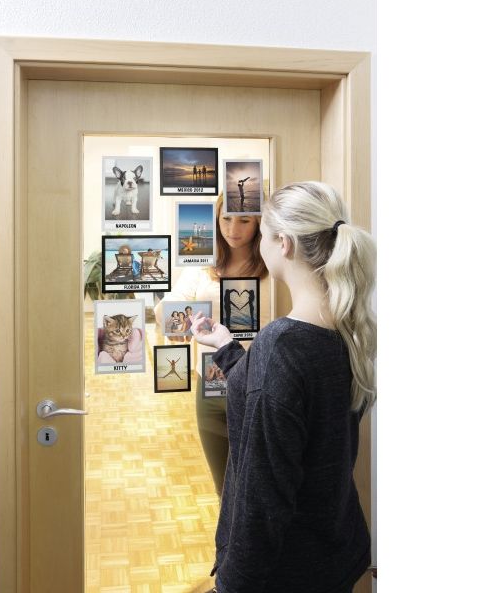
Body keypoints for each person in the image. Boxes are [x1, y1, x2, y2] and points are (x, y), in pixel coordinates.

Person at [190, 181, 375, 593]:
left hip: (287, 573)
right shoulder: (345, 328)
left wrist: (232, 585)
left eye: (263, 234)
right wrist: (227, 348)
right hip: (335, 552)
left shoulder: (282, 345)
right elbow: (281, 400)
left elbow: (262, 500)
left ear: (284, 244)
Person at [153, 194, 267, 496]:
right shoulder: (202, 265)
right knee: (223, 489)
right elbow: (168, 307)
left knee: (254, 489)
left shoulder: (271, 268)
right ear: (216, 219)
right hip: (211, 386)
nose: (233, 229)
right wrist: (172, 320)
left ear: (260, 223)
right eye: (226, 219)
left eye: (245, 220)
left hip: (257, 386)